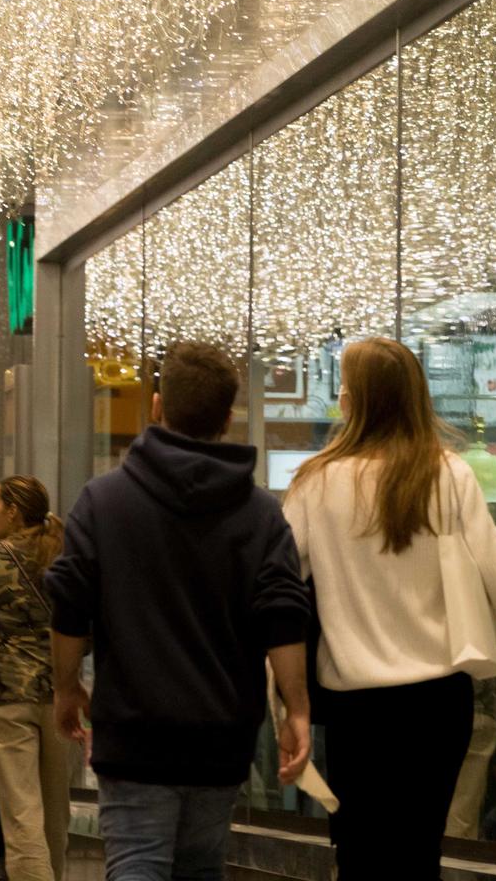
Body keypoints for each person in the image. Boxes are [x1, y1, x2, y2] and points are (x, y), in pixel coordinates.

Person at [47, 341, 312, 881]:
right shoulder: (261, 514)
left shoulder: (104, 501)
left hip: (134, 736)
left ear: (156, 406)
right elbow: (282, 614)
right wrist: (297, 709)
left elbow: (70, 603)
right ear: (227, 417)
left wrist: (66, 686)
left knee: (137, 867)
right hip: (221, 738)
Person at [283, 336, 496, 881]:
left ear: (355, 401)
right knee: (419, 854)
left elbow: (277, 582)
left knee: (358, 855)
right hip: (436, 703)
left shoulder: (316, 482)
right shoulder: (448, 474)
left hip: (355, 707)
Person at [0, 476, 72, 881]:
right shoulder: (65, 556)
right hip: (61, 697)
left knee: (21, 813)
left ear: (13, 510)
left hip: (7, 697)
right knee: (55, 813)